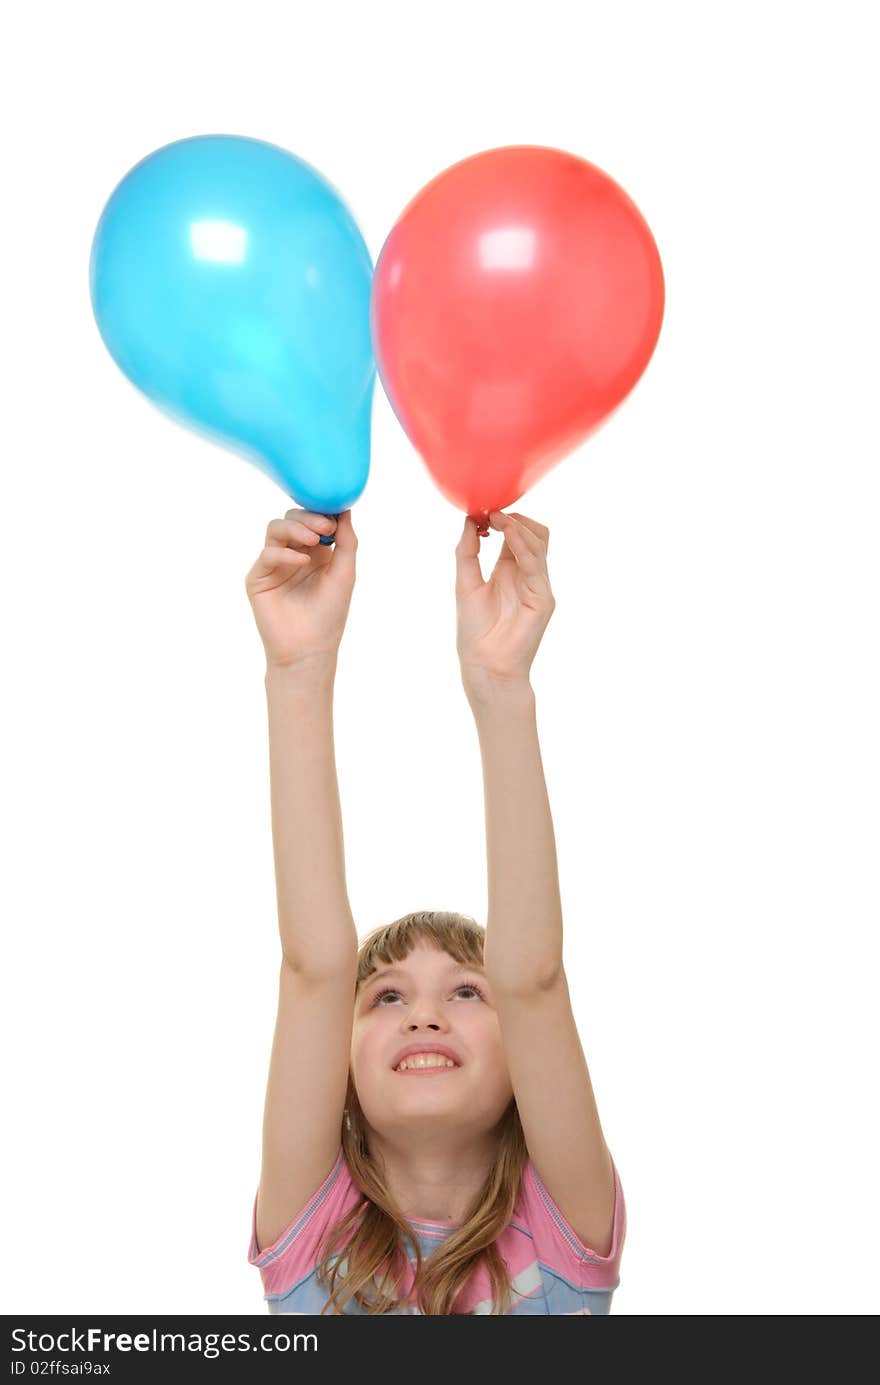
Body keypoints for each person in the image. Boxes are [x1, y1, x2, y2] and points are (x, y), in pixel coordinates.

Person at [244, 505, 626, 1315]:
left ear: (524, 1056)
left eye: (464, 991)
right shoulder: (316, 1237)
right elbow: (315, 967)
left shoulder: (564, 1231)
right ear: (337, 1072)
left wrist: (500, 685)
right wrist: (297, 667)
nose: (424, 1016)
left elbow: (533, 976)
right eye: (385, 995)